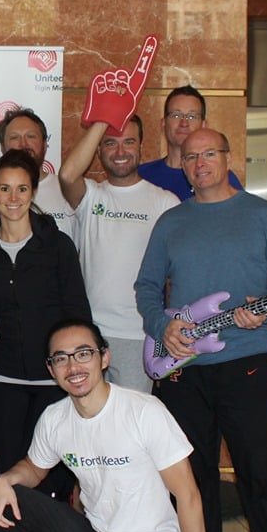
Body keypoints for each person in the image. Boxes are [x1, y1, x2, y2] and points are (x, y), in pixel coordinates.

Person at [135, 128, 267, 532]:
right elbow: (146, 286)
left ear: (227, 158)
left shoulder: (263, 215)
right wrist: (161, 326)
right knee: (192, 479)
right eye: (191, 157)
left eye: (209, 154)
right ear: (182, 165)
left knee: (264, 477)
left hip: (246, 365)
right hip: (185, 372)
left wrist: (265, 311)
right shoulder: (171, 221)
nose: (200, 163)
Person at [0, 319, 206, 532]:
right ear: (52, 369)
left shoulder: (144, 411)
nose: (73, 366)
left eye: (83, 354)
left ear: (104, 358)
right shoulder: (55, 418)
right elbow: (34, 469)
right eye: (61, 358)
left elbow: (188, 495)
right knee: (8, 494)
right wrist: (4, 480)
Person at [0, 149, 91, 532]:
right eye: (5, 189)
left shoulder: (56, 244)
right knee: (12, 472)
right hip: (6, 381)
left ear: (34, 192)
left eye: (22, 188)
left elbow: (76, 310)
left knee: (56, 472)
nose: (14, 197)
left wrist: (79, 374)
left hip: (56, 381)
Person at [58, 115, 179, 393]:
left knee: (131, 426)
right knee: (90, 424)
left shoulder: (164, 202)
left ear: (141, 147)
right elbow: (67, 175)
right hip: (90, 334)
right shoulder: (90, 196)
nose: (121, 152)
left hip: (139, 335)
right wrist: (105, 116)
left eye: (129, 142)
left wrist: (165, 338)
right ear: (98, 150)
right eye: (110, 143)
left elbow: (176, 276)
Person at [137, 85, 243, 201]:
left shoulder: (218, 177)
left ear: (203, 125)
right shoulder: (141, 175)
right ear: (163, 124)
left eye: (192, 116)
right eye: (176, 115)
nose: (184, 123)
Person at [0, 108, 77, 244]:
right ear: (3, 147)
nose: (23, 144)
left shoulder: (68, 190)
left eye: (31, 136)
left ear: (45, 145)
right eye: (14, 137)